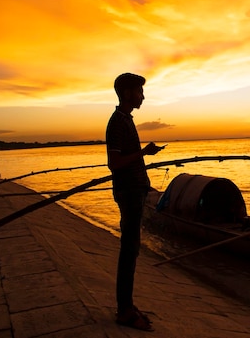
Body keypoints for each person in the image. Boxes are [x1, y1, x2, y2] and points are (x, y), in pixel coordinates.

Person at [106, 73, 164, 331]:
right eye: (139, 91)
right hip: (128, 192)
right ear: (128, 93)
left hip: (135, 190)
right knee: (129, 250)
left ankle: (126, 305)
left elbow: (127, 160)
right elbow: (115, 163)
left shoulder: (125, 120)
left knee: (132, 249)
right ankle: (125, 310)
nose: (143, 96)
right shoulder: (117, 122)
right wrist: (143, 153)